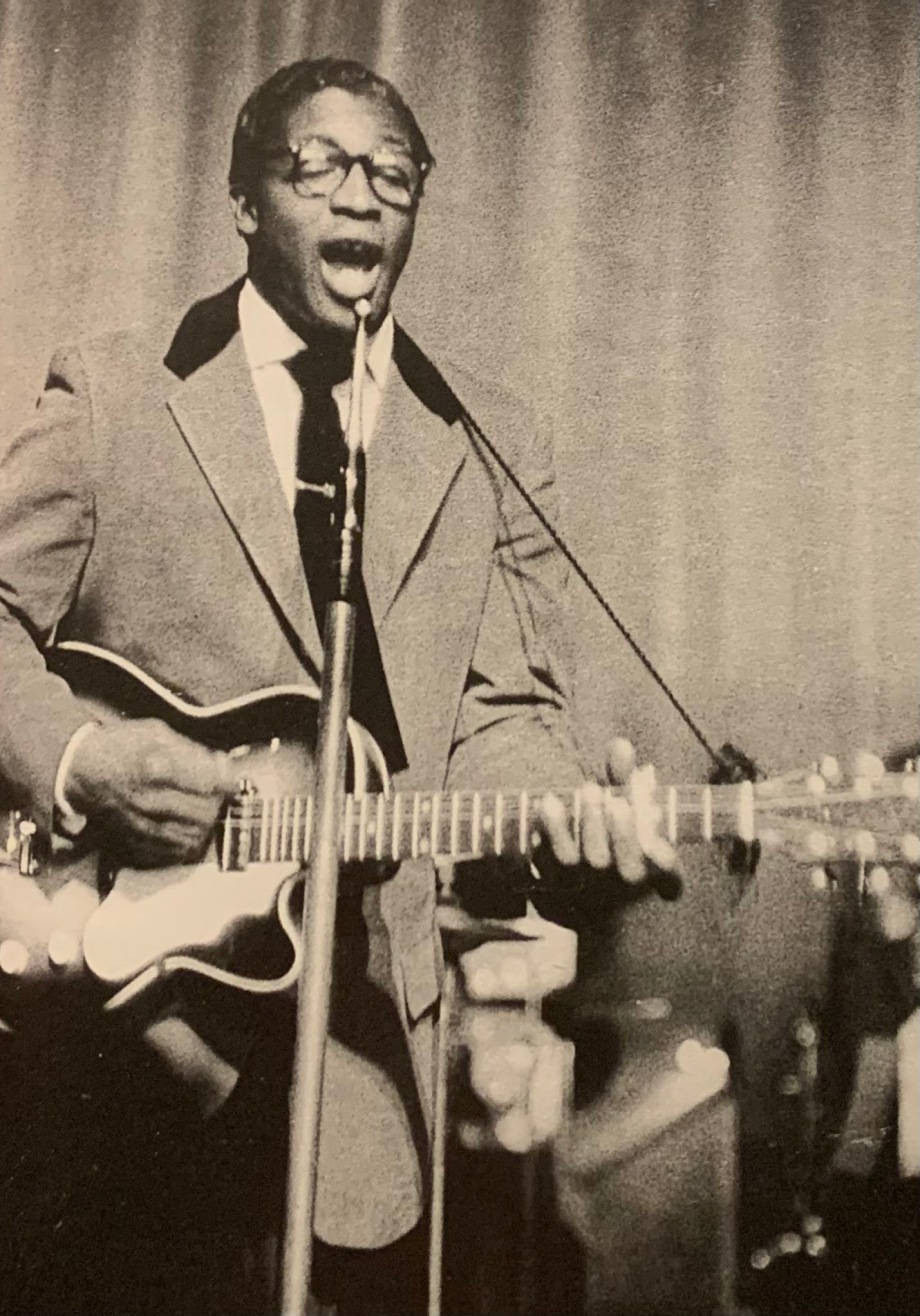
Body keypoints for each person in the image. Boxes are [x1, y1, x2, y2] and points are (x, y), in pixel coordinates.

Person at [0, 57, 671, 1315]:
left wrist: (561, 826)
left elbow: (507, 719)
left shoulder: (488, 442)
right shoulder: (112, 396)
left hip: (360, 1067)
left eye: (395, 175)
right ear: (246, 199)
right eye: (319, 166)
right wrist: (85, 764)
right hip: (106, 1033)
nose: (361, 198)